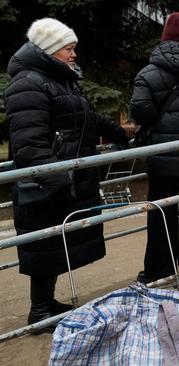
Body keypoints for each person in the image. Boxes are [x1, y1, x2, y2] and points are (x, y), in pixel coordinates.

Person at [4, 18, 129, 328]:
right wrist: (61, 180)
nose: (74, 55)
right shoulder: (28, 83)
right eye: (69, 49)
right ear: (49, 50)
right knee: (44, 244)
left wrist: (122, 133)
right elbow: (28, 144)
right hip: (47, 185)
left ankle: (46, 305)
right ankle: (41, 311)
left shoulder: (60, 80)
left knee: (54, 244)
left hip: (64, 182)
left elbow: (86, 117)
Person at [130, 12, 179, 283]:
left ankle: (159, 269)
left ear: (165, 37)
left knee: (160, 212)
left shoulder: (148, 73)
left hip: (162, 158)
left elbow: (141, 113)